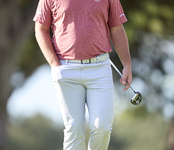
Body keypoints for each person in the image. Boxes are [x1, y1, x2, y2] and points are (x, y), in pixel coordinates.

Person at [33, 0, 132, 149]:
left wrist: (127, 65)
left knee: (102, 127)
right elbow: (40, 29)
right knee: (74, 127)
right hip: (66, 68)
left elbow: (116, 28)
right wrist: (54, 64)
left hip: (99, 68)